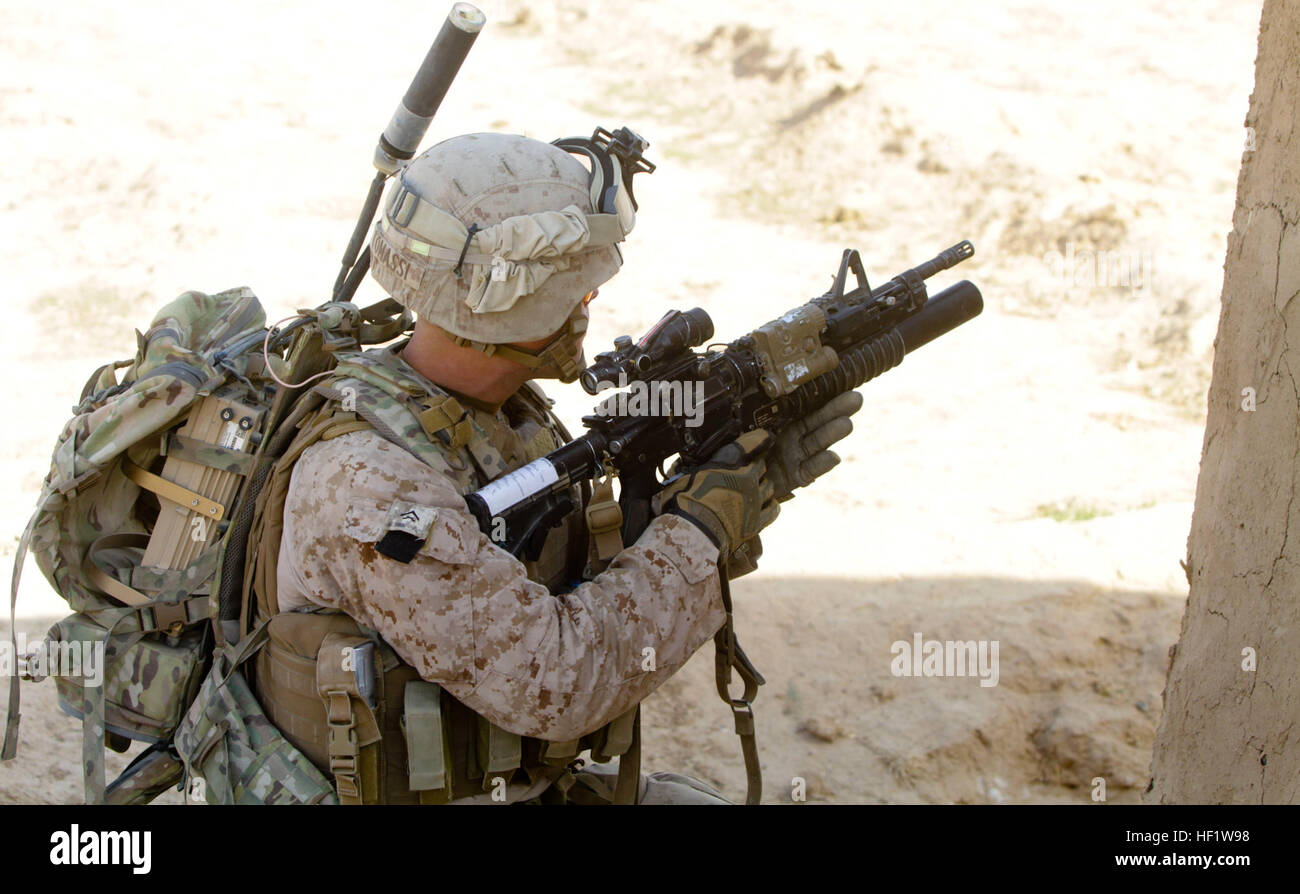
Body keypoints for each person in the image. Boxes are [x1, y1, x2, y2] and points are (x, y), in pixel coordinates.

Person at [251, 129, 860, 804]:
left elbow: (569, 571)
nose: (590, 302)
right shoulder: (369, 485)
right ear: (508, 298)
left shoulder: (498, 408)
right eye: (575, 286)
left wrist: (738, 485)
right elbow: (560, 680)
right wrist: (700, 534)